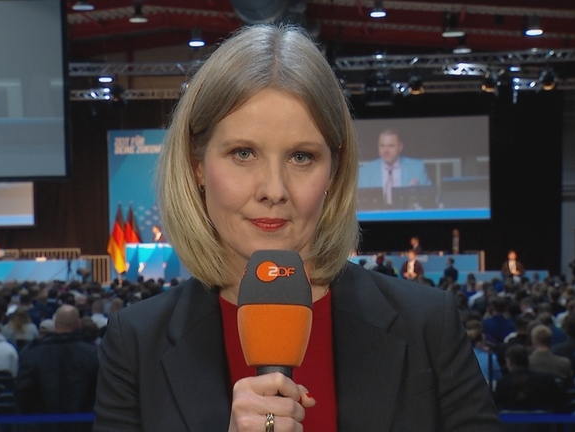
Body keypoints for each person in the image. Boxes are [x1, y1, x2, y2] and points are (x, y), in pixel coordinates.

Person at [93, 25, 501, 432]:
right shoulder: (136, 343)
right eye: (243, 153)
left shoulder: (429, 324)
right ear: (197, 164)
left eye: (301, 157)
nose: (274, 190)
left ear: (335, 169)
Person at [17, 305, 98, 430]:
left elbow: (23, 393)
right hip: (82, 425)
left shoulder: (32, 353)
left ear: (55, 323)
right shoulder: (92, 354)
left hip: (43, 425)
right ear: (78, 324)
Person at [358, 129, 431, 205]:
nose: (386, 150)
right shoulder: (365, 172)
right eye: (382, 146)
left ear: (400, 146)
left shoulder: (417, 167)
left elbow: (429, 198)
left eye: (391, 146)